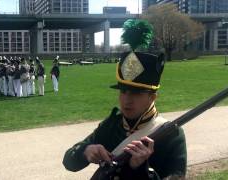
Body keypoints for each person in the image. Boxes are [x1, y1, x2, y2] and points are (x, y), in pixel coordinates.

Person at [62, 19, 187, 180]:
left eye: (136, 93)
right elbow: (69, 162)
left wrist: (141, 169)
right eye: (123, 91)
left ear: (152, 97)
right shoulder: (112, 124)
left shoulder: (172, 135)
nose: (127, 100)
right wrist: (85, 151)